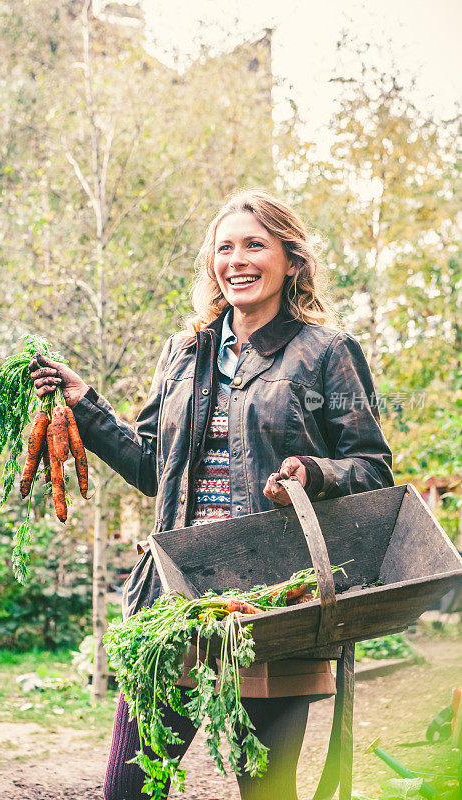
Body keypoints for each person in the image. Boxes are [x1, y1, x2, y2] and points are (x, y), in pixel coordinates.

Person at [29, 189, 394, 800]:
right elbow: (152, 467)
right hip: (175, 598)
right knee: (129, 789)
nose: (239, 260)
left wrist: (315, 473)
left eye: (256, 245)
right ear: (212, 263)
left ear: (291, 261)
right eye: (226, 247)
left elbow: (372, 469)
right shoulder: (183, 352)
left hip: (274, 602)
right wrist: (85, 408)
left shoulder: (326, 353)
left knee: (267, 791)